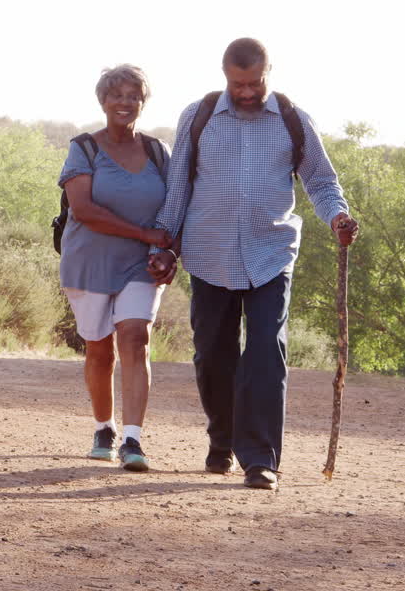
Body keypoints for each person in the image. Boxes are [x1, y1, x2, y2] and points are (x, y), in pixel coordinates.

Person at [148, 38, 358, 491]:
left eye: (254, 82)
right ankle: (222, 441)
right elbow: (179, 183)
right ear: (225, 75)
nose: (246, 92)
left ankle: (261, 458)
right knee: (212, 357)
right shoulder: (199, 115)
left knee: (266, 351)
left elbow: (321, 181)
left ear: (269, 72)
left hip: (271, 253)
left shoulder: (292, 119)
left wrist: (337, 216)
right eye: (237, 83)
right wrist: (165, 244)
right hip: (208, 251)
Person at [58, 64, 173, 472]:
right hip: (89, 262)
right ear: (103, 101)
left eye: (133, 95)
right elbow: (84, 210)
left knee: (135, 338)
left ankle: (133, 440)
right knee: (99, 350)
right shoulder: (84, 149)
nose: (125, 102)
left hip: (139, 266)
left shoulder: (159, 153)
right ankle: (103, 428)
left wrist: (169, 252)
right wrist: (145, 235)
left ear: (143, 102)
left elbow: (173, 212)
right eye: (117, 95)